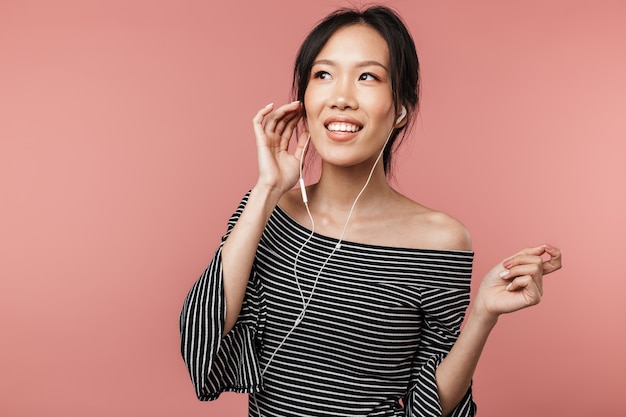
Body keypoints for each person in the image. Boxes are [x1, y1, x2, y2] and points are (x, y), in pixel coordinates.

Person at [179, 5, 562, 417]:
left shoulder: (441, 239)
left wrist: (484, 313)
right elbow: (202, 342)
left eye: (368, 77)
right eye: (323, 75)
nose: (341, 97)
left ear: (401, 109)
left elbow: (430, 405)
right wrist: (268, 187)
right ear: (304, 100)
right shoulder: (266, 209)